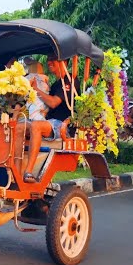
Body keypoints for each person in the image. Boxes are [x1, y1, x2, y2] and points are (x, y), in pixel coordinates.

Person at [22, 53, 80, 183]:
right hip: (49, 123)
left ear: (64, 62)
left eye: (53, 59)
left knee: (36, 125)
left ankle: (28, 172)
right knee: (17, 126)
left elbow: (53, 102)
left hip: (63, 125)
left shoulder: (70, 80)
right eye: (49, 59)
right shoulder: (54, 85)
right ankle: (13, 167)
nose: (49, 61)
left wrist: (35, 89)